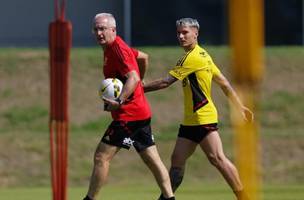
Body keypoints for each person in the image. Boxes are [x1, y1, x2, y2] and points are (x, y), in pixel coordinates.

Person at [143, 18, 253, 200]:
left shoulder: (193, 58)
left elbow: (165, 82)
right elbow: (224, 83)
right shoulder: (203, 55)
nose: (180, 36)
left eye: (185, 32)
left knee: (217, 158)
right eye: (178, 32)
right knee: (177, 161)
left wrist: (139, 89)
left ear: (196, 33)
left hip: (203, 118)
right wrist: (239, 106)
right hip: (190, 121)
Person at [82, 13, 175, 200]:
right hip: (140, 112)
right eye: (96, 29)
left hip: (128, 115)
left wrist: (120, 100)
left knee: (101, 157)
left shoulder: (118, 49)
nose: (99, 33)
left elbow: (133, 77)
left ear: (113, 30)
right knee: (151, 158)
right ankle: (169, 198)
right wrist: (138, 87)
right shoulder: (115, 48)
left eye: (103, 29)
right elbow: (144, 57)